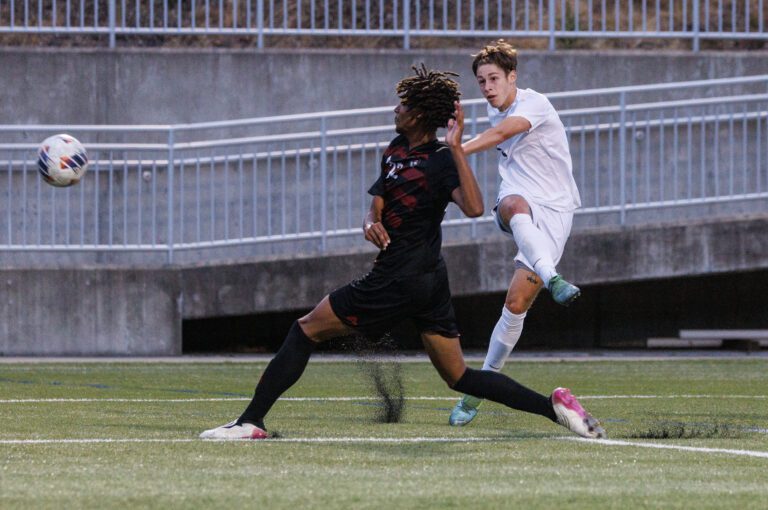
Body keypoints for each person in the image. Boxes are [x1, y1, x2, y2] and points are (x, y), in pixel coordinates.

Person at [200, 64, 604, 441]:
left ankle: (251, 421)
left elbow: (475, 207)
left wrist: (458, 149)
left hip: (399, 276)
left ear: (420, 115)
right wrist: (369, 224)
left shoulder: (442, 159)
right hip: (428, 281)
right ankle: (555, 409)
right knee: (459, 376)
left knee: (305, 329)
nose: (397, 109)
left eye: (404, 105)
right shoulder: (395, 150)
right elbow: (377, 203)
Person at [448, 40, 585, 427]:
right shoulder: (497, 115)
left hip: (556, 213)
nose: (488, 86)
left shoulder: (534, 104)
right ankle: (555, 278)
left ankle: (478, 389)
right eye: (481, 81)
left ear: (512, 78)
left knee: (516, 303)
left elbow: (503, 133)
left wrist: (457, 150)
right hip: (518, 204)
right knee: (510, 204)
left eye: (494, 78)